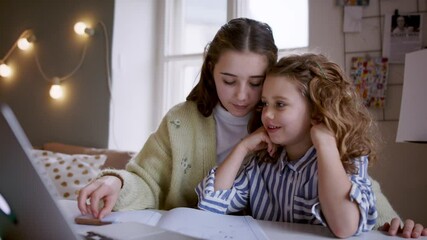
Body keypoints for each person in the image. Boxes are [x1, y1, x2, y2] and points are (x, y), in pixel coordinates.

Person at [77, 17, 425, 238]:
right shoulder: (183, 121)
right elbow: (148, 179)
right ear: (211, 71)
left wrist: (392, 222)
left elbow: (355, 184)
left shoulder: (289, 128)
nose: (243, 97)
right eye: (229, 80)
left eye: (256, 83)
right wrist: (115, 181)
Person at [196, 53, 427, 238]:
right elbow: (209, 206)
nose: (267, 114)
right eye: (265, 104)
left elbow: (345, 227)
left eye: (280, 104)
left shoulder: (347, 161)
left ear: (316, 110)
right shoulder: (262, 163)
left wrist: (325, 141)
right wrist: (243, 147)